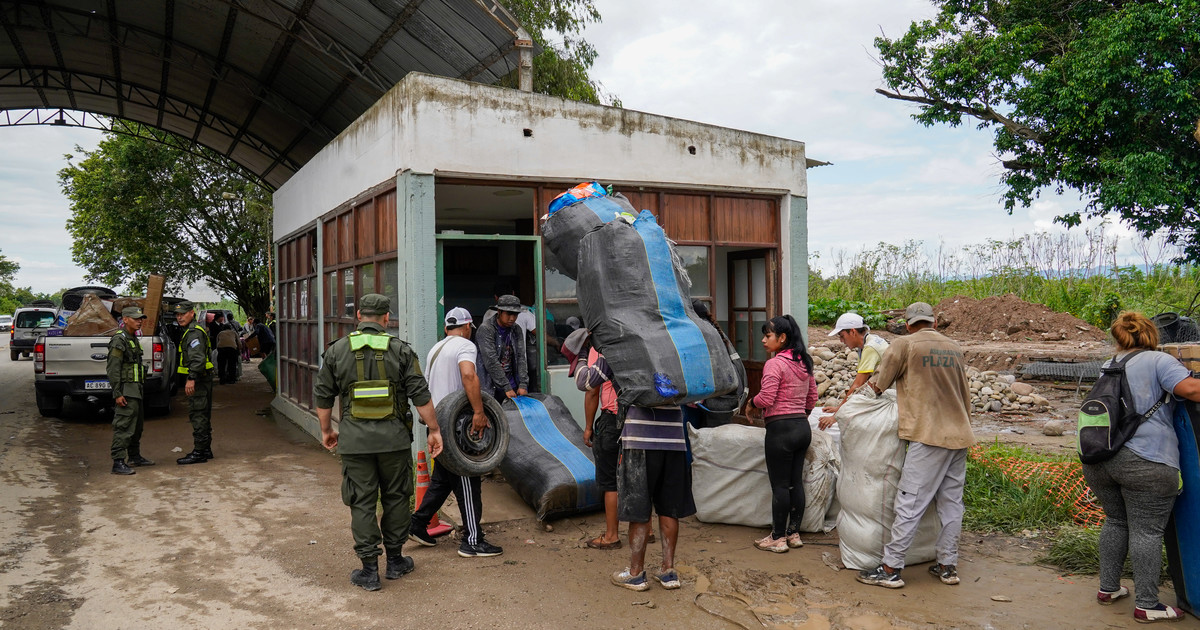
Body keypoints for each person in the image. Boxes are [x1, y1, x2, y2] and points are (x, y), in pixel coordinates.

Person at [313, 293, 444, 591]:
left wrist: (326, 430)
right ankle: (395, 561)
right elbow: (420, 395)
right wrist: (434, 429)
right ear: (387, 318)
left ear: (359, 315)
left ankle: (369, 570)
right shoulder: (401, 350)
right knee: (396, 497)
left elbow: (323, 396)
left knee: (362, 501)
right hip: (394, 442)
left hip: (355, 443)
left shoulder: (336, 351)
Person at [1082, 312, 1200, 623]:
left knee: (1116, 521)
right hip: (1146, 460)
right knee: (1147, 531)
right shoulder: (1159, 361)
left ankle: (1109, 588)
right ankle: (1148, 604)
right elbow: (1192, 390)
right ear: (1151, 335)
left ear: (1119, 337)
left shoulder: (1110, 365)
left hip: (1100, 459)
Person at [856, 302, 974, 589]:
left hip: (928, 435)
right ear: (934, 322)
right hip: (959, 434)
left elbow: (878, 385)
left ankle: (891, 568)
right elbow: (965, 393)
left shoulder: (905, 345)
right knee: (951, 504)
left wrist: (853, 404)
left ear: (908, 325)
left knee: (910, 502)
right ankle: (947, 566)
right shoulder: (954, 347)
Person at [409, 307, 503, 558]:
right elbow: (469, 375)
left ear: (446, 327)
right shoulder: (465, 345)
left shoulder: (436, 349)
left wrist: (432, 425)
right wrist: (479, 412)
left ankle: (417, 524)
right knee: (468, 481)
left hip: (437, 426)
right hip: (455, 429)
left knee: (442, 480)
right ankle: (473, 540)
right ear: (468, 326)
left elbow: (426, 387)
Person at [742, 314, 818, 552]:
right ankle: (793, 534)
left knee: (780, 486)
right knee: (795, 483)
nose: (763, 340)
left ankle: (777, 537)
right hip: (802, 428)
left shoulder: (775, 364)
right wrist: (800, 417)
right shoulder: (804, 362)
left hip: (780, 431)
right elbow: (812, 398)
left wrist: (751, 403)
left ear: (782, 338)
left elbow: (767, 398)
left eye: (768, 336)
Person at [577, 341, 622, 550]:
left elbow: (592, 390)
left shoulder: (601, 348)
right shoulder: (636, 342)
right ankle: (646, 531)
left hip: (613, 420)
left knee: (610, 481)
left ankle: (612, 535)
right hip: (637, 419)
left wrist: (588, 427)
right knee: (638, 475)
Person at [820, 312, 890, 425]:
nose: (841, 341)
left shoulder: (870, 348)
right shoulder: (870, 341)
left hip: (890, 397)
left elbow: (858, 384)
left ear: (853, 332)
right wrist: (839, 408)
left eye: (842, 336)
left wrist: (837, 416)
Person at [108, 306, 153, 475]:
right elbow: (113, 368)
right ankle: (118, 462)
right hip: (126, 390)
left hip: (136, 389)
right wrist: (117, 393)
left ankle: (134, 456)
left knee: (137, 426)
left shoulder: (132, 338)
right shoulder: (119, 340)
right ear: (125, 319)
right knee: (124, 425)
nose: (139, 321)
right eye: (135, 318)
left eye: (140, 318)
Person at [173, 301, 217, 465]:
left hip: (199, 380)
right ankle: (205, 449)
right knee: (203, 414)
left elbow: (198, 359)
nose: (179, 317)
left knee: (198, 415)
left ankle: (199, 452)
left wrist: (191, 379)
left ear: (192, 313)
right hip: (202, 378)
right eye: (177, 315)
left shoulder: (193, 333)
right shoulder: (192, 330)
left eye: (183, 314)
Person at [476, 295, 528, 402]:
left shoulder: (516, 329)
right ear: (499, 312)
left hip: (511, 383)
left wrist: (523, 383)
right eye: (508, 314)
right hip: (490, 386)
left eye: (515, 314)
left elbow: (521, 357)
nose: (512, 318)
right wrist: (506, 387)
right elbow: (491, 361)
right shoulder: (486, 329)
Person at [215, 316, 240, 385]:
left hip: (221, 349)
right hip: (232, 349)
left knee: (221, 365)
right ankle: (232, 379)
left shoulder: (220, 333)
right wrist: (239, 350)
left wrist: (218, 350)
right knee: (232, 364)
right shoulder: (234, 333)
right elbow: (239, 343)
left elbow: (217, 343)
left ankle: (222, 379)